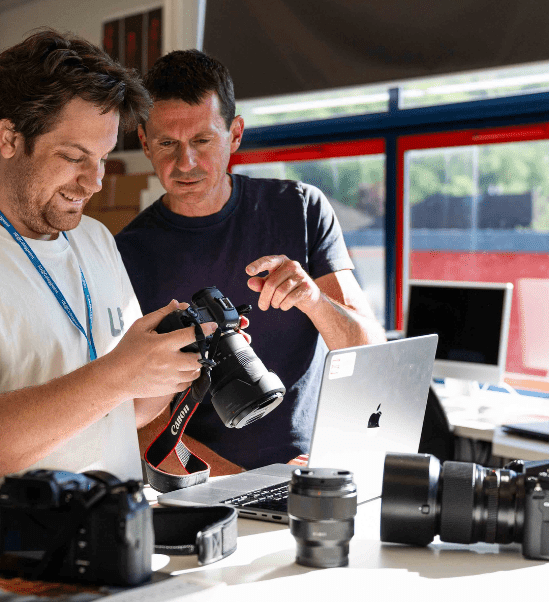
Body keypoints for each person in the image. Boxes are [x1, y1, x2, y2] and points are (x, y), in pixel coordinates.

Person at [0, 30, 216, 503]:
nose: (94, 182)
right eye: (74, 157)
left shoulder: (94, 240)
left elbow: (125, 409)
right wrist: (117, 372)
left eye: (101, 159)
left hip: (110, 536)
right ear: (9, 138)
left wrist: (174, 363)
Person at [116, 50, 387, 473]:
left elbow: (371, 355)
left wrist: (313, 300)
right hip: (205, 482)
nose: (184, 163)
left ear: (235, 134)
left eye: (202, 141)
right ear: (145, 142)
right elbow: (136, 422)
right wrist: (236, 484)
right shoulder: (126, 255)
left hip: (314, 468)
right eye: (167, 143)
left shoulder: (299, 209)